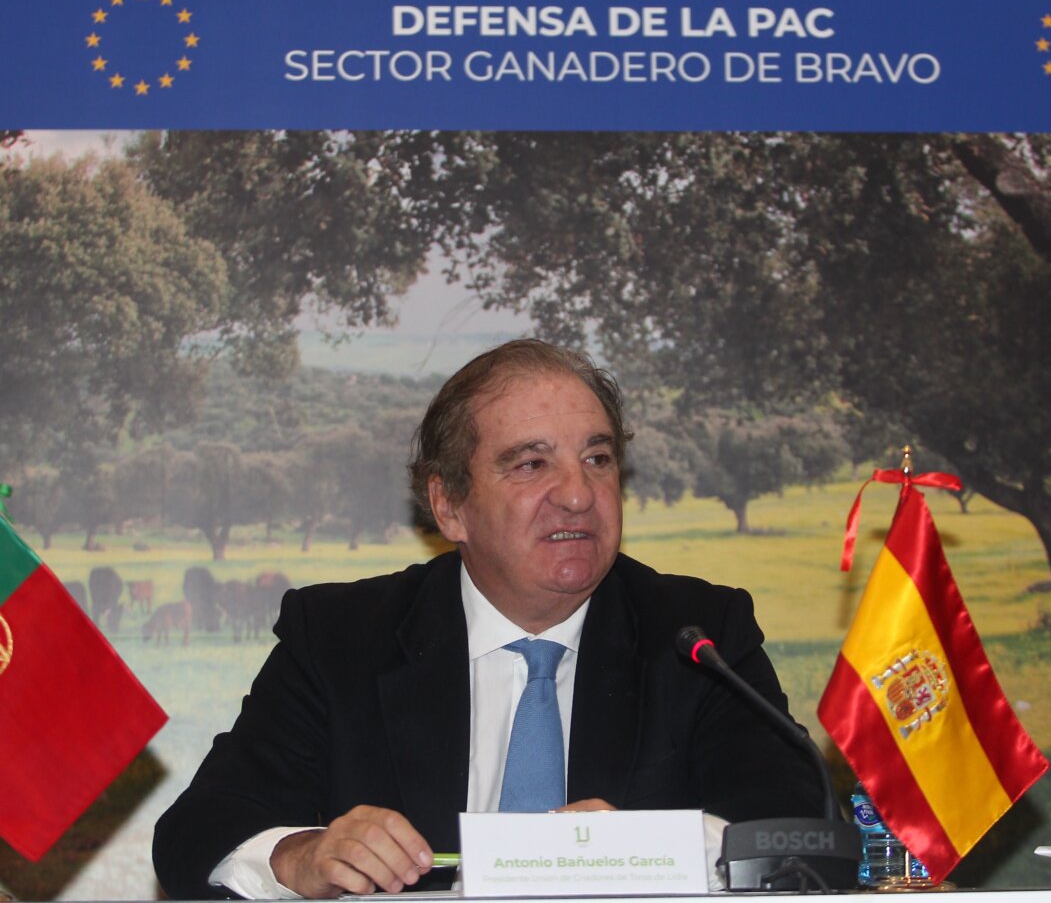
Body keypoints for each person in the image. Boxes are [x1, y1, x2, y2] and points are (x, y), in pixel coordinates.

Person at [153, 339, 824, 900]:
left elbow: (793, 826)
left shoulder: (698, 635)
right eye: (532, 464)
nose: (578, 494)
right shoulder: (339, 637)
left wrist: (648, 850)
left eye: (597, 458)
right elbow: (198, 832)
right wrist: (300, 856)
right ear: (449, 507)